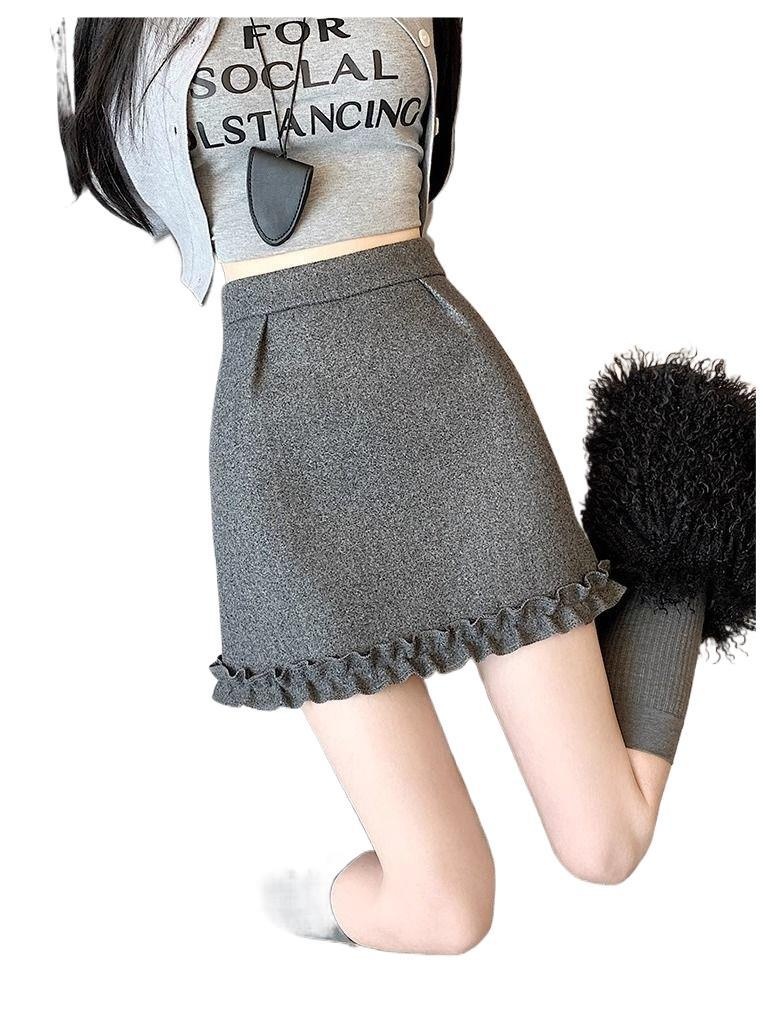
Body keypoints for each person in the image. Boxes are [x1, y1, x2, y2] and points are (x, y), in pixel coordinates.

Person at [56, 17, 755, 955]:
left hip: (447, 398)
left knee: (606, 842)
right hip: (283, 444)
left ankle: (685, 497)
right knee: (444, 910)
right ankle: (288, 901)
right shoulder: (129, 26)